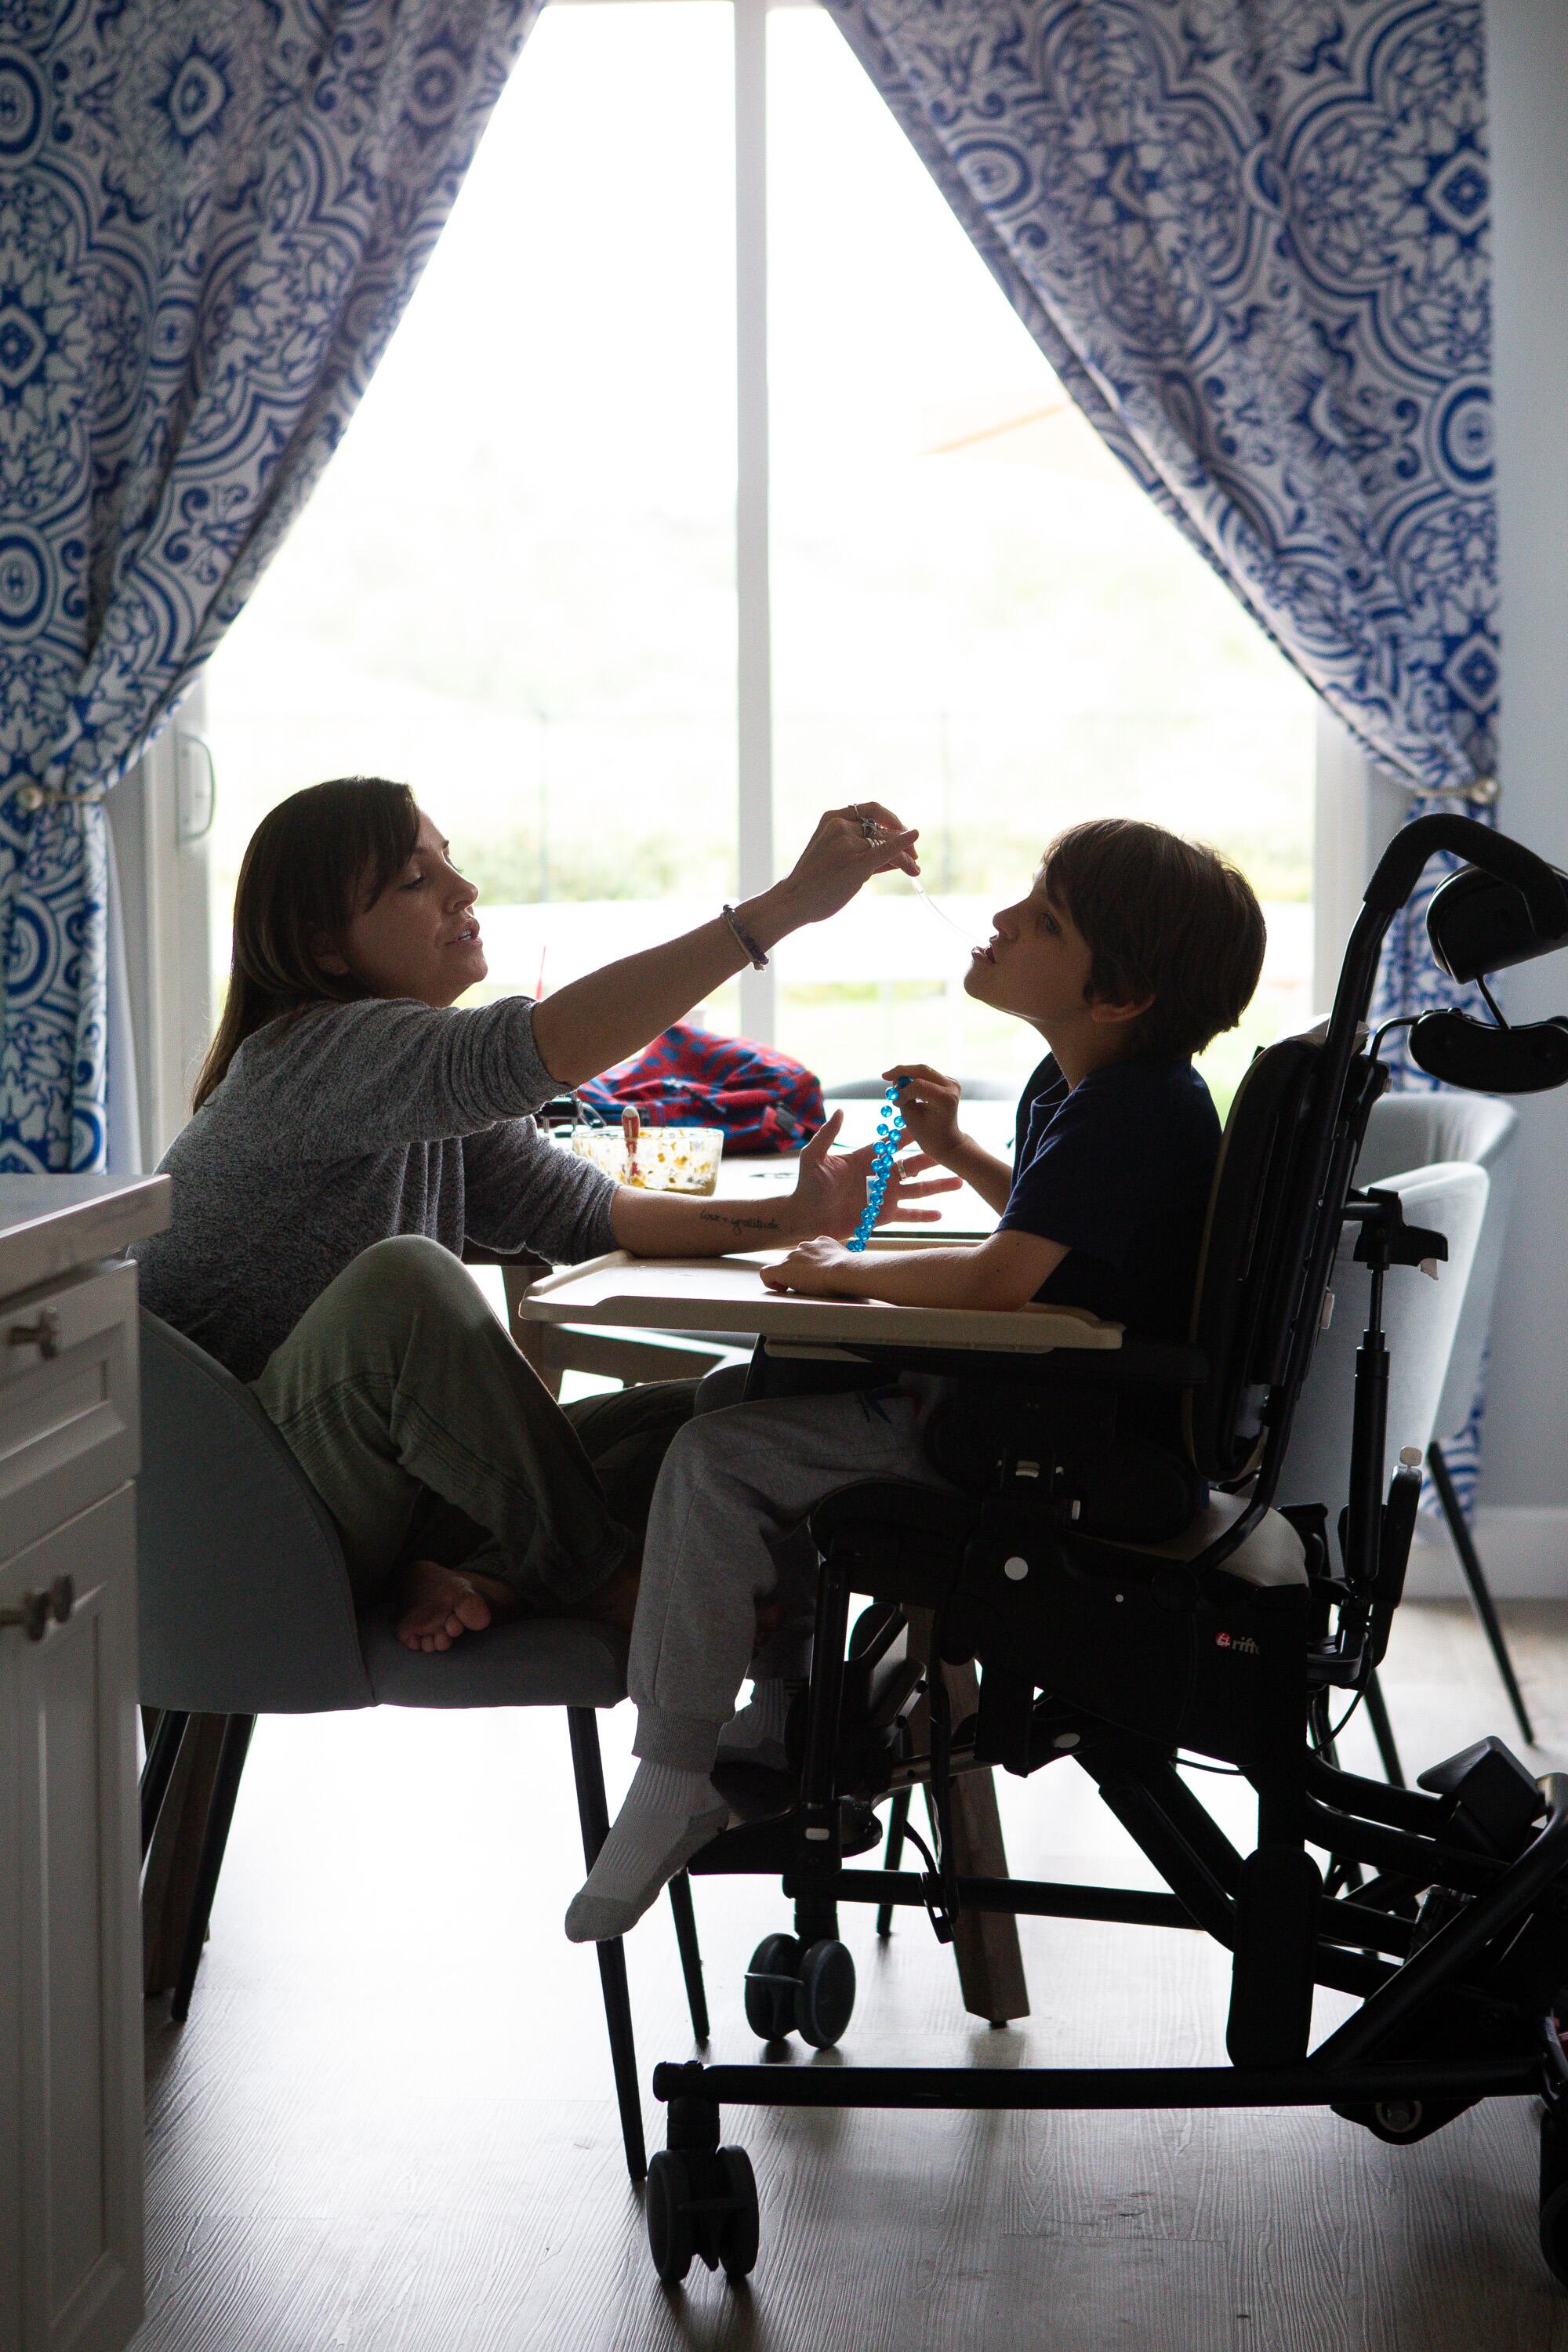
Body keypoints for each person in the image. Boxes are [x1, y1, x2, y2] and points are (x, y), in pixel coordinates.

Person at [565, 817, 1267, 1940]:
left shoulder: (1133, 1110)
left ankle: (673, 1771)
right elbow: (1073, 1249)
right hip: (1026, 1411)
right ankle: (785, 1709)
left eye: (1044, 918)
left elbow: (1003, 1283)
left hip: (1040, 1444)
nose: (1001, 919)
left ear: (1119, 995)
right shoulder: (1097, 1091)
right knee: (737, 1406)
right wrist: (966, 1155)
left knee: (713, 1458)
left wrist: (847, 1274)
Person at [132, 778, 957, 1654]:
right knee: (404, 1285)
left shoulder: (413, 1095)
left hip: (373, 1499)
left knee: (729, 1420)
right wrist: (785, 906)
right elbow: (536, 1051)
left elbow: (589, 1212)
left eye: (449, 861)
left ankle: (511, 1585)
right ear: (323, 948)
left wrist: (786, 1216)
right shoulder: (313, 1056)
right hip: (246, 1518)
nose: (463, 890)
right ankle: (600, 1579)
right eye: (416, 881)